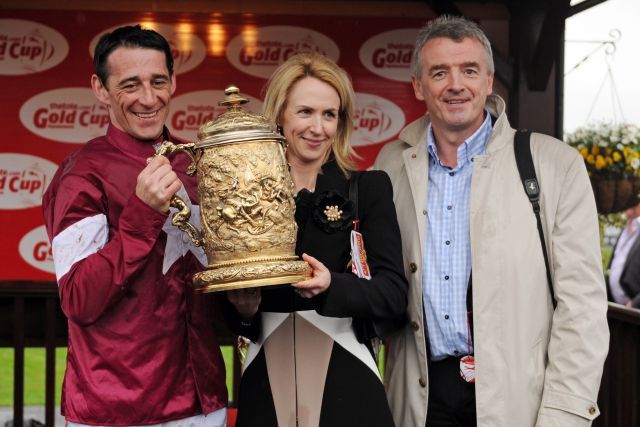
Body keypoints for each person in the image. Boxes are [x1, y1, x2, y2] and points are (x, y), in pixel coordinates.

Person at [375, 15, 609, 427]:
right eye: (439, 72)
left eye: (469, 70)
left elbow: (583, 309)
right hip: (419, 399)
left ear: (489, 81)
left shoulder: (553, 165)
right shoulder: (390, 166)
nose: (455, 84)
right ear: (418, 86)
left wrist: (565, 413)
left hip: (519, 401)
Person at [42, 25, 227, 427]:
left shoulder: (197, 164)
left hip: (203, 398)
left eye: (158, 81)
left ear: (173, 82)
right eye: (130, 85)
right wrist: (142, 213)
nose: (148, 98)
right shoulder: (83, 175)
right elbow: (78, 299)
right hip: (117, 410)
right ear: (100, 88)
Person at [224, 52, 408, 427]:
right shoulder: (243, 196)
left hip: (350, 384)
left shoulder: (367, 189)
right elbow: (226, 306)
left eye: (329, 114)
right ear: (280, 115)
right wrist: (242, 311)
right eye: (305, 111)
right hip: (264, 386)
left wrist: (332, 286)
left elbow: (393, 294)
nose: (318, 127)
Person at [607, 202, 640, 308]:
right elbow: (613, 265)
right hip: (616, 309)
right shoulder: (626, 229)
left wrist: (635, 303)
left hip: (634, 315)